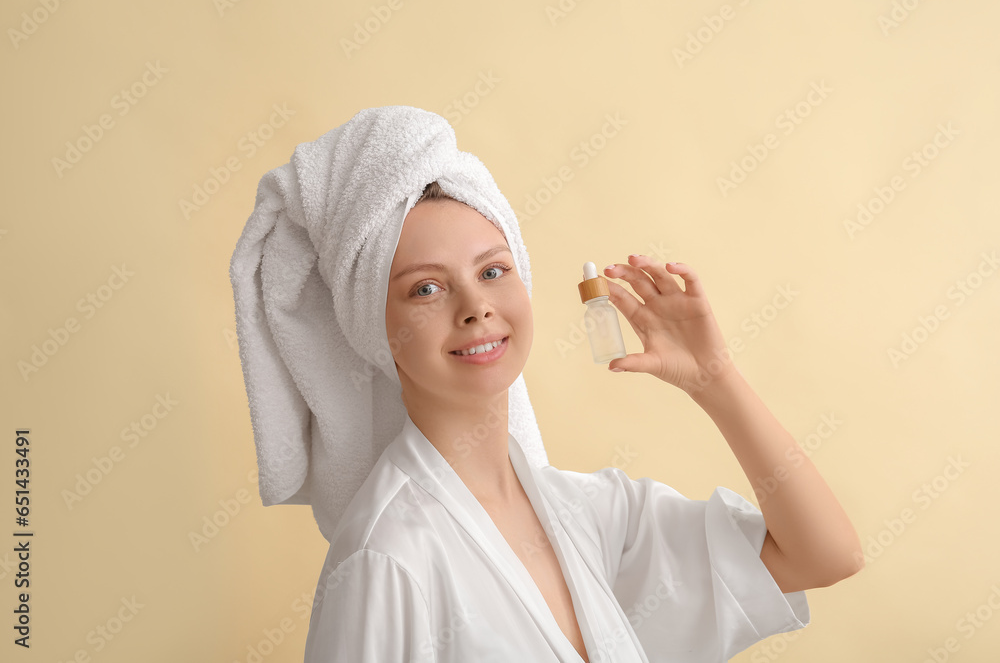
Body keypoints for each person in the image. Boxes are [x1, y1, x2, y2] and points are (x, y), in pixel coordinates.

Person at [300, 179, 864, 662]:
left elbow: (825, 555)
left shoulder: (588, 516)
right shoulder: (385, 558)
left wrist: (715, 380)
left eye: (493, 270)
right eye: (426, 288)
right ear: (375, 329)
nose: (476, 306)